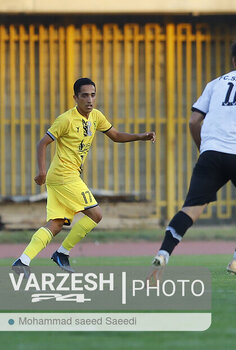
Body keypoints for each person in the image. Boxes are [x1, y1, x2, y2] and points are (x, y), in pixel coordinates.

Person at [150, 33, 236, 283]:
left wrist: (203, 149)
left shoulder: (215, 83)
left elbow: (194, 120)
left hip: (211, 154)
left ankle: (163, 253)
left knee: (191, 209)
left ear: (234, 60)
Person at [11, 77, 156, 275]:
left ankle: (22, 260)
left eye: (93, 95)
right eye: (85, 95)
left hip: (63, 177)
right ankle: (62, 253)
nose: (90, 99)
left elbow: (115, 135)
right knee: (96, 214)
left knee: (56, 223)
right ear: (75, 97)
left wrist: (140, 136)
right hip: (63, 175)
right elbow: (42, 143)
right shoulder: (66, 119)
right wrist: (41, 171)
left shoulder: (96, 116)